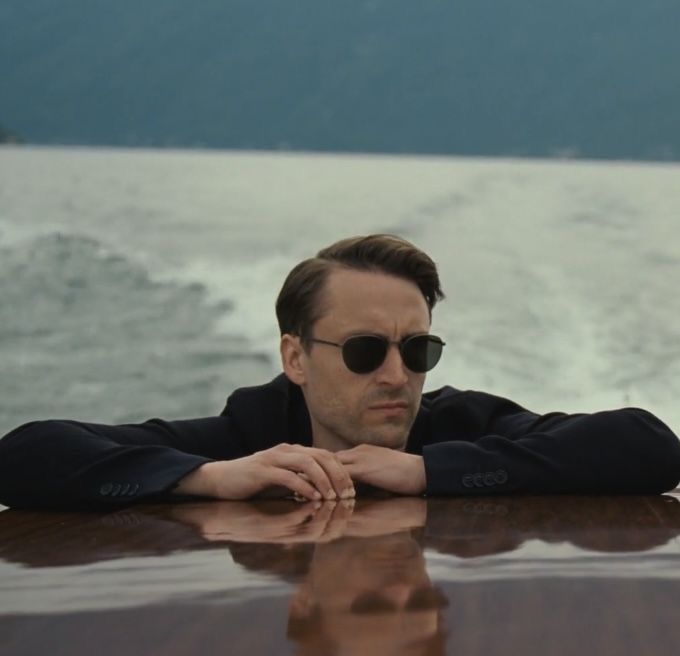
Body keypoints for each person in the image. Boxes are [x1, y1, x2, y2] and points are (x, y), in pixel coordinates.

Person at [0, 234, 679, 510]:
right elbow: (25, 455)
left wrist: (426, 471)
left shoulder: (457, 424)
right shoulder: (249, 435)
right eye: (364, 351)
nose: (395, 375)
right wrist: (206, 476)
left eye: (417, 350)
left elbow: (648, 446)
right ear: (295, 357)